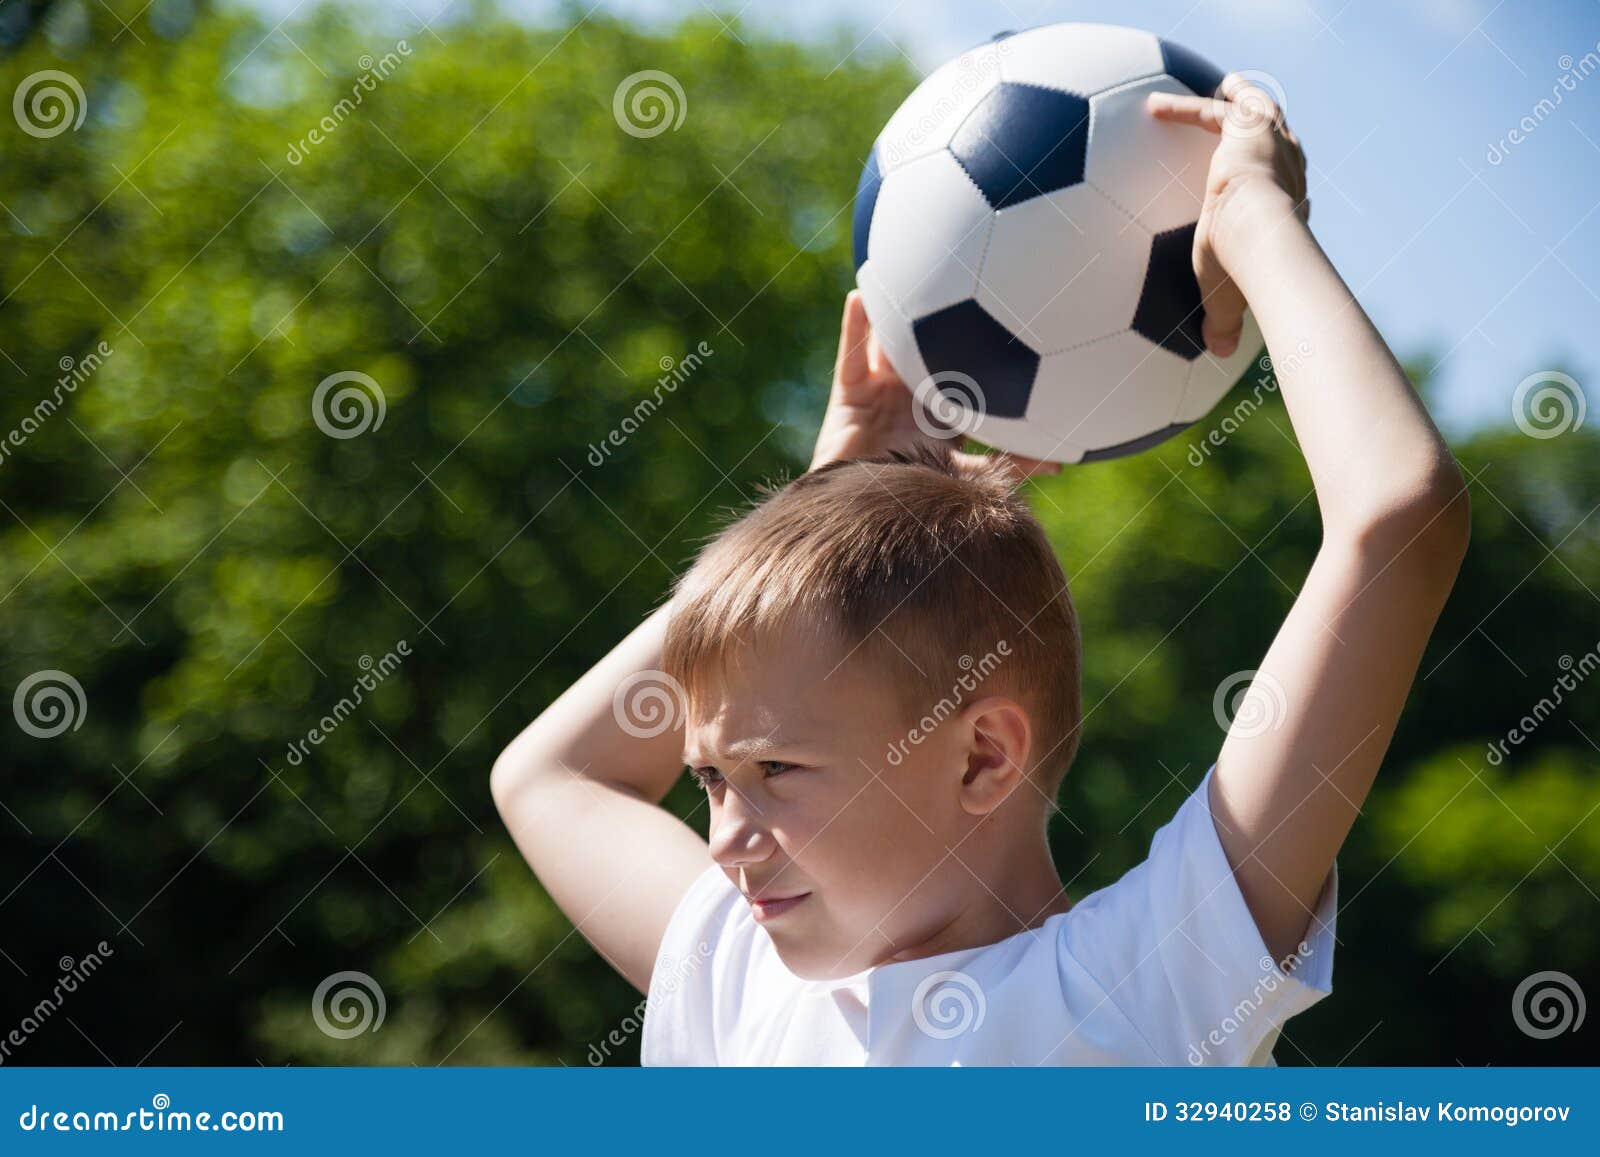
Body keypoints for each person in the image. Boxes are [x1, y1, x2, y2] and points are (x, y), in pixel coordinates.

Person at [490, 77, 1470, 1065]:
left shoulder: (1141, 987)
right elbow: (549, 777)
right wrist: (830, 495)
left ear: (984, 756)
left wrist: (1251, 216)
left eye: (773, 771)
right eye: (709, 777)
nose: (722, 838)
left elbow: (1397, 516)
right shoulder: (740, 980)